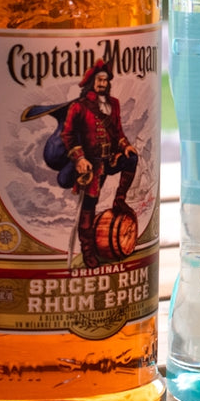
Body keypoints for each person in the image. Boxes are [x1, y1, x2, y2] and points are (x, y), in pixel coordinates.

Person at [60, 59, 138, 267]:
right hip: (91, 165)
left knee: (132, 159)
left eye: (105, 80)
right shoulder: (79, 107)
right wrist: (80, 158)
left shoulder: (114, 104)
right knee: (89, 207)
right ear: (91, 82)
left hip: (110, 159)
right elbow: (67, 135)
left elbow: (118, 132)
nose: (102, 83)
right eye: (98, 79)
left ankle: (119, 199)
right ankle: (88, 250)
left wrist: (125, 146)